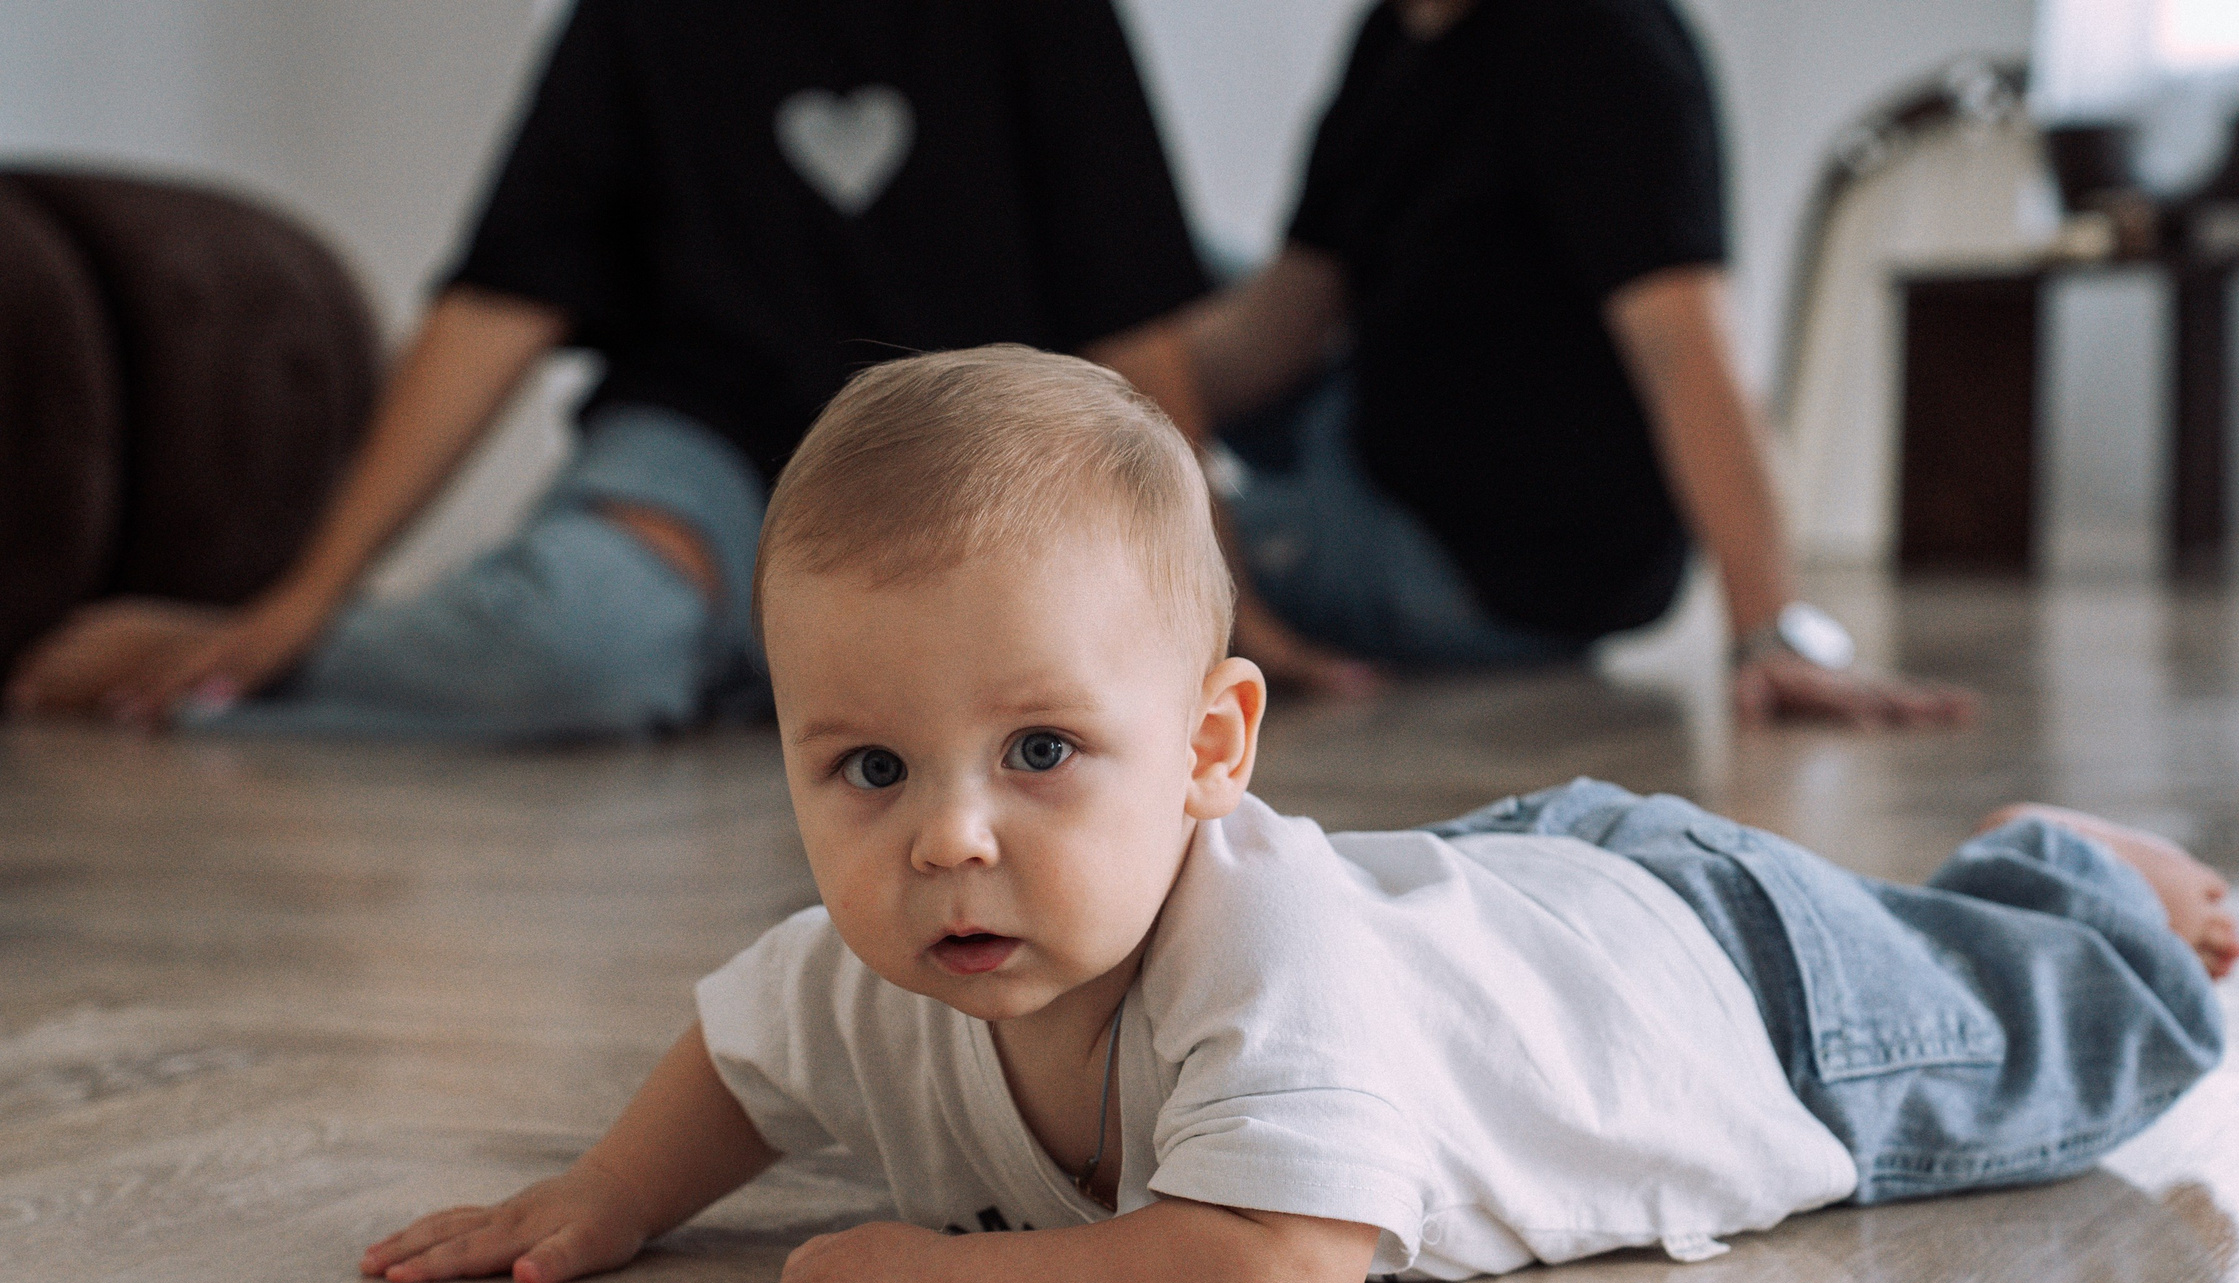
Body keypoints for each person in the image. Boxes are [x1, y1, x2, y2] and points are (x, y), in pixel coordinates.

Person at [358, 347, 2238, 1283]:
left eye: (1039, 752)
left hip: (1734, 996)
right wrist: (611, 1195)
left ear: (1209, 752)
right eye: (865, 765)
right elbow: (747, 1050)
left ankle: (2069, 872)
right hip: (1493, 905)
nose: (948, 834)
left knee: (2059, 1041)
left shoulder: (1262, 971)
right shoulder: (894, 949)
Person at [5, 0, 1357, 736]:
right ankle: (231, 674)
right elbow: (497, 304)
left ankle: (766, 665)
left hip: (963, 463)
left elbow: (1130, 337)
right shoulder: (636, 25)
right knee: (577, 644)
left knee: (1057, 665)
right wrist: (299, 603)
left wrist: (1222, 593)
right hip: (708, 455)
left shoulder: (1046, 23)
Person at [1177, 0, 1974, 725]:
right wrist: (1114, 360)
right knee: (1133, 278)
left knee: (1102, 567)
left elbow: (1687, 351)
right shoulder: (1394, 35)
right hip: (1370, 424)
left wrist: (1772, 629)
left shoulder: (1600, 41)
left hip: (1483, 566)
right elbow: (1285, 319)